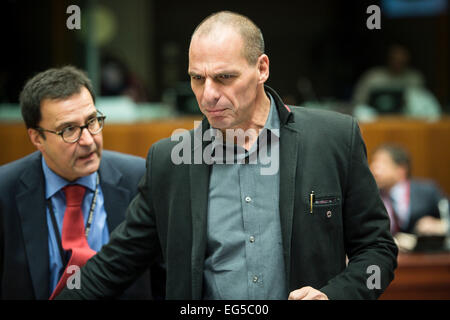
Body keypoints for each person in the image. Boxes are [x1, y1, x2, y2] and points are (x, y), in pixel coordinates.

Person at [57, 11, 397, 300]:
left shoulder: (334, 138)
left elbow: (377, 249)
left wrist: (335, 296)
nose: (208, 95)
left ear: (262, 68)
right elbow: (117, 263)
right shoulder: (170, 160)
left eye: (224, 77)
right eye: (197, 79)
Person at [0, 66, 158, 300]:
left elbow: (165, 280)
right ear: (37, 138)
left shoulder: (141, 179)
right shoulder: (5, 190)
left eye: (92, 121)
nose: (87, 140)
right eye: (69, 130)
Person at [369, 144, 448, 237]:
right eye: (373, 162)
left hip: (423, 250)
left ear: (401, 170)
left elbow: (446, 215)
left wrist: (440, 225)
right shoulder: (370, 195)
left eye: (382, 163)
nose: (373, 168)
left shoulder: (427, 191)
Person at [352, 44, 441, 119]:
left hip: (406, 120)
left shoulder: (414, 78)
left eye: (401, 60)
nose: (397, 62)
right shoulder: (373, 76)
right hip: (376, 119)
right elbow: (358, 102)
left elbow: (423, 106)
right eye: (395, 58)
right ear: (389, 58)